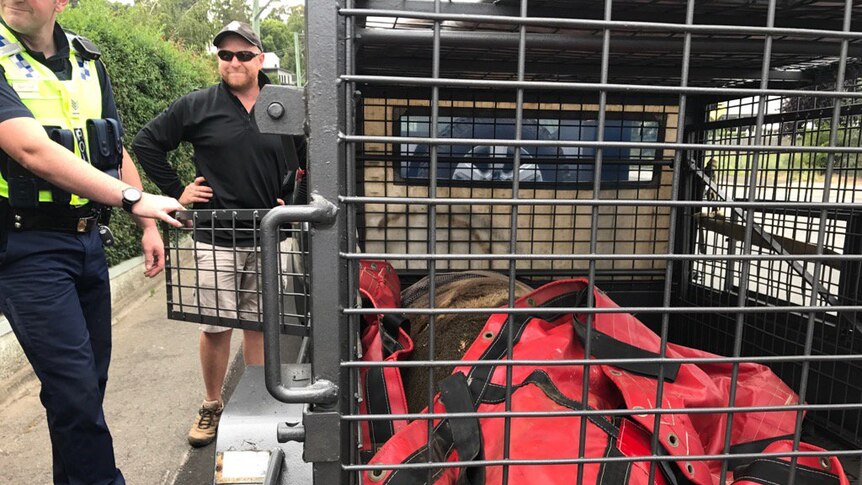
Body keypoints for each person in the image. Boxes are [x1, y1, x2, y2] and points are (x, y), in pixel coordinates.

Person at [0, 0, 184, 482]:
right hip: (26, 248)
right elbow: (29, 148)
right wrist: (131, 200)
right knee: (75, 391)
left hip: (86, 243)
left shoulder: (87, 59)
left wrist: (147, 225)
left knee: (83, 387)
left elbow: (112, 145)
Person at [133, 21, 298, 448]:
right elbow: (146, 142)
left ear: (261, 59)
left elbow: (311, 158)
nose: (234, 62)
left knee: (261, 323)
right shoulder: (198, 105)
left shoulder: (283, 106)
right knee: (215, 326)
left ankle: (259, 399)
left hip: (269, 236)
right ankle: (212, 404)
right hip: (215, 237)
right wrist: (176, 192)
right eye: (225, 55)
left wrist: (293, 201)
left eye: (244, 54)